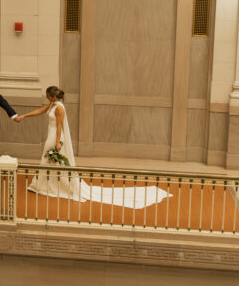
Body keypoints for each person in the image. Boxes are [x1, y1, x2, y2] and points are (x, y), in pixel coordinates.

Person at [17, 86, 172, 208]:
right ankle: (44, 184)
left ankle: (46, 185)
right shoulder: (52, 105)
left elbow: (59, 127)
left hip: (54, 137)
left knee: (50, 160)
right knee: (49, 161)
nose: (46, 98)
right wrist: (25, 116)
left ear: (52, 96)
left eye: (47, 96)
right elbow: (39, 111)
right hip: (51, 136)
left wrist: (57, 142)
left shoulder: (59, 108)